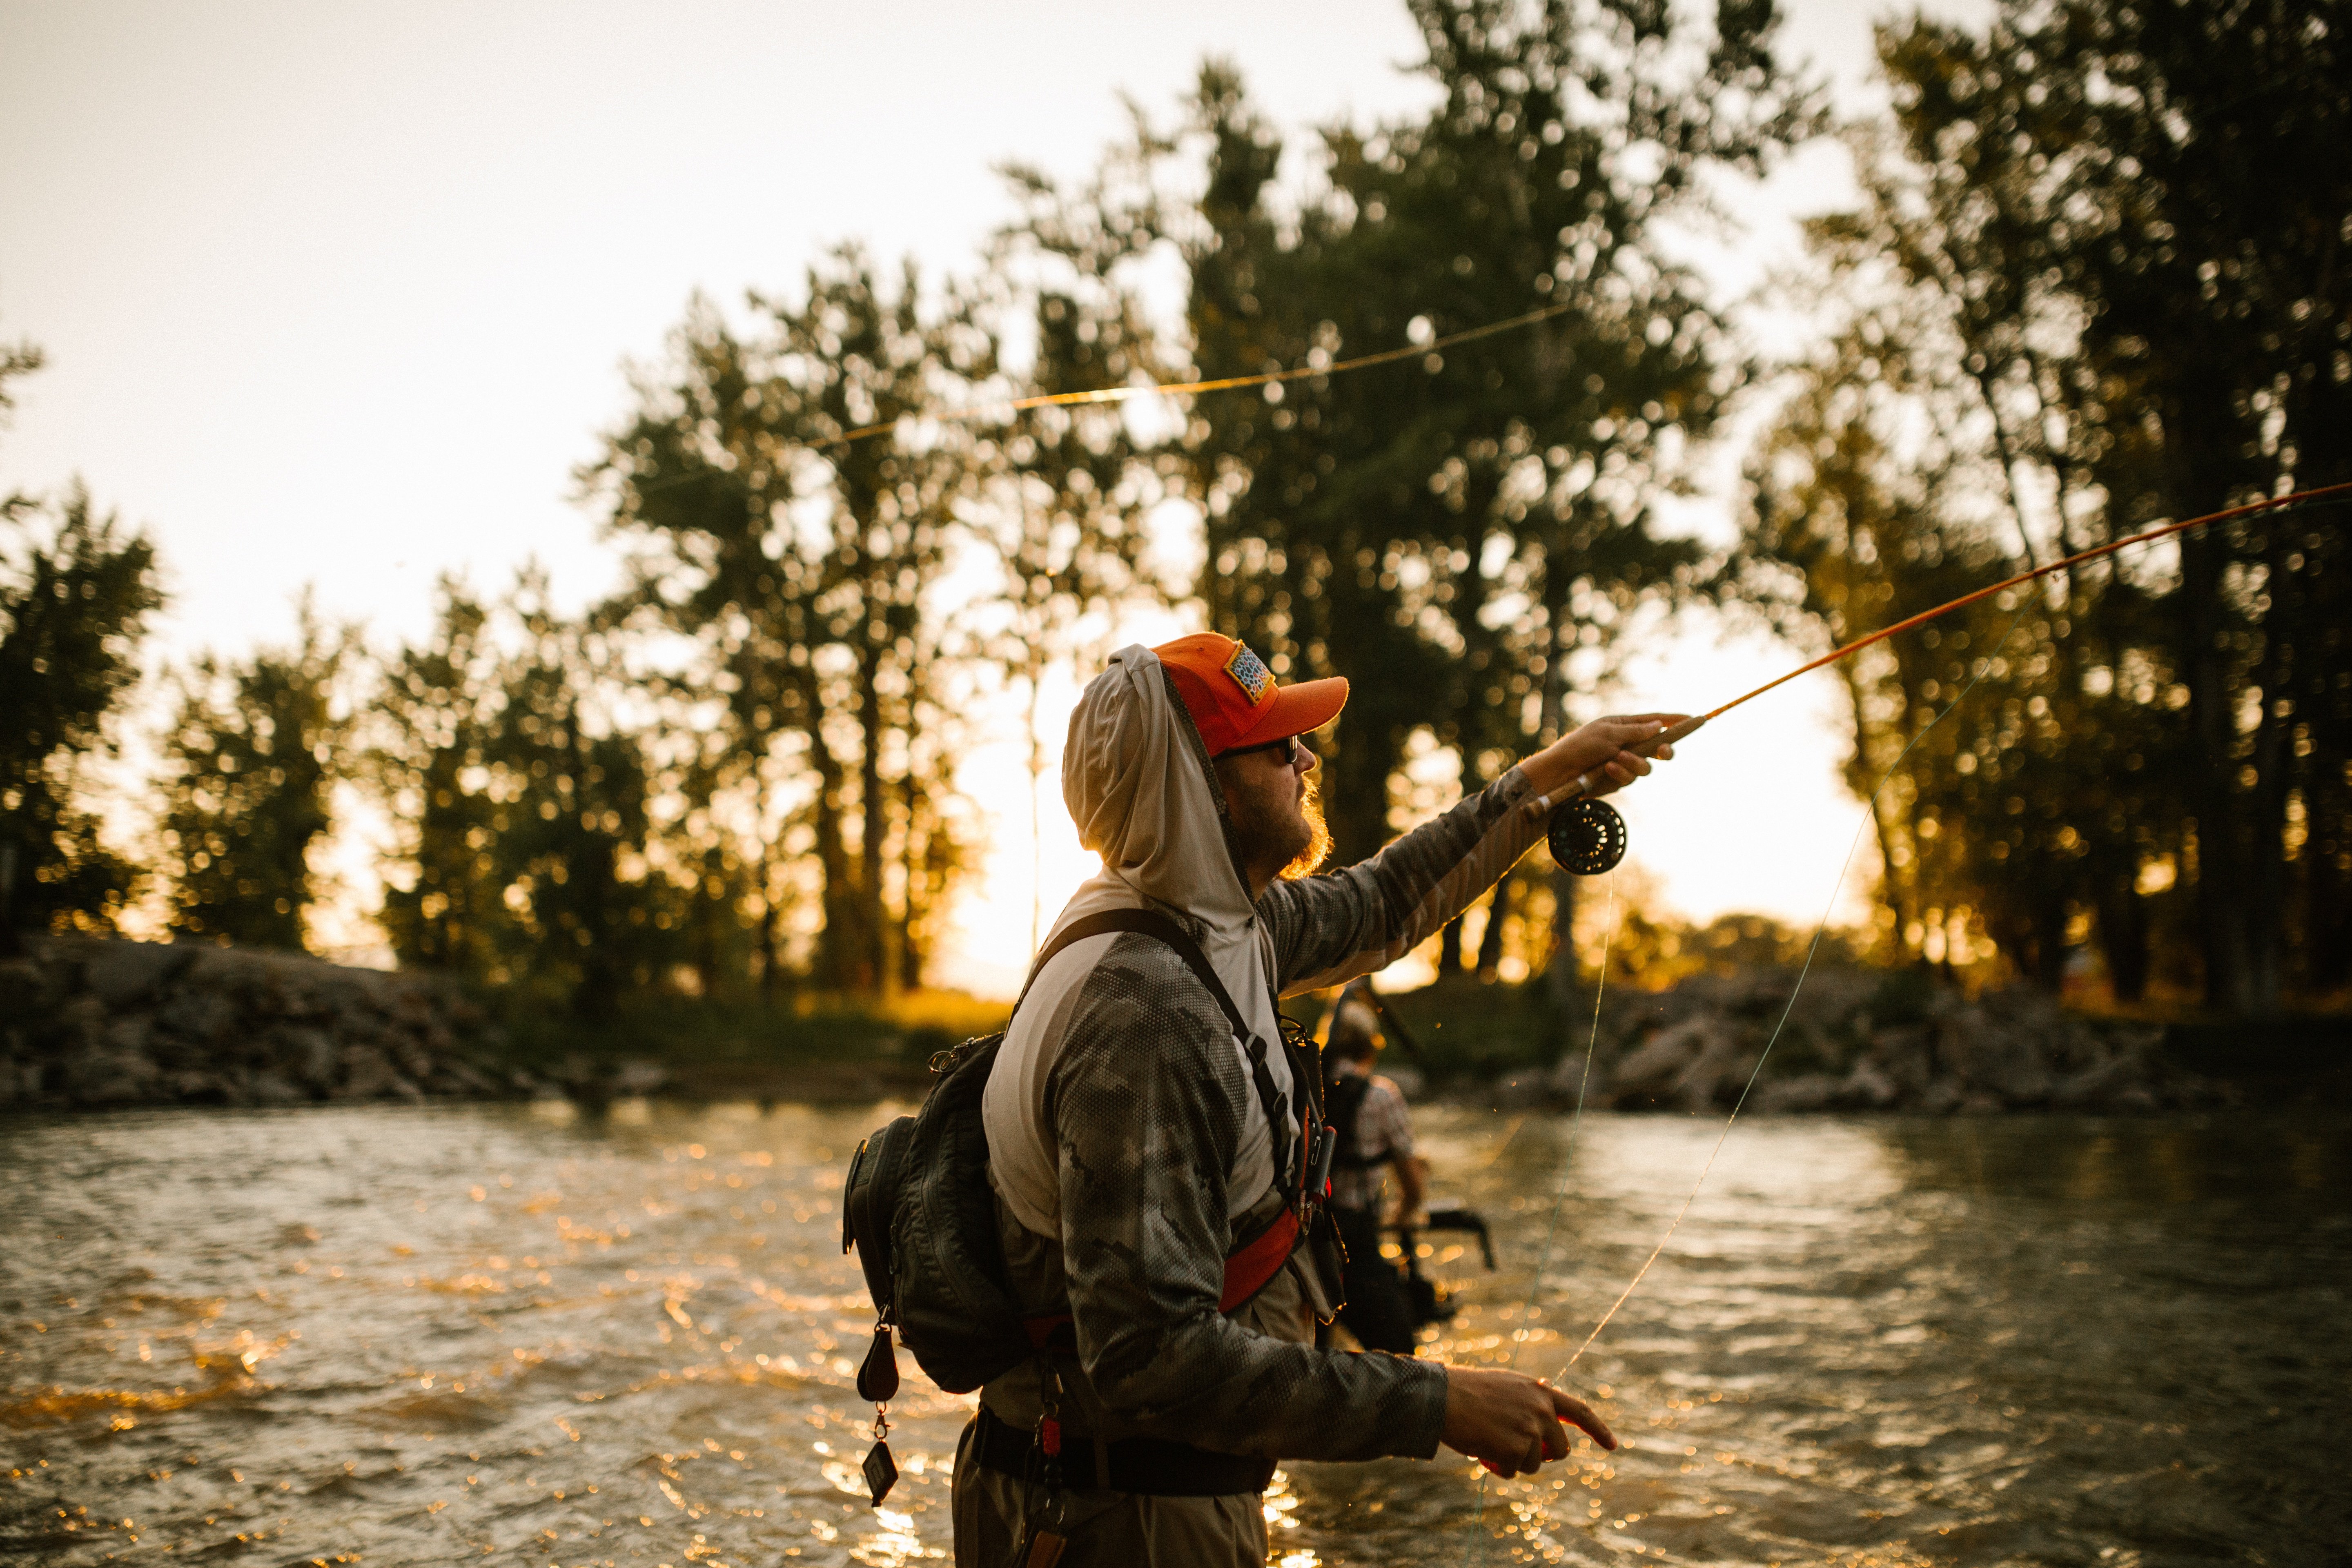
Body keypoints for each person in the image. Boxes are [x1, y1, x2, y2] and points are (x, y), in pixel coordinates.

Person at [954, 633, 1679, 1567]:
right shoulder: (1140, 1011)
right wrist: (1436, 1400)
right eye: (1273, 746)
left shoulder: (1208, 924)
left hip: (1147, 1497)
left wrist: (1541, 782)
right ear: (1199, 786)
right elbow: (1151, 1358)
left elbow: (1382, 905)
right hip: (1118, 1520)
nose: (1305, 757)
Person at [1319, 994, 1424, 1355]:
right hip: (1356, 1248)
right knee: (1402, 1359)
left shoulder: (1305, 1088)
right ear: (1370, 1046)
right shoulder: (1382, 1096)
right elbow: (1412, 1184)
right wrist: (1404, 1214)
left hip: (1302, 1245)